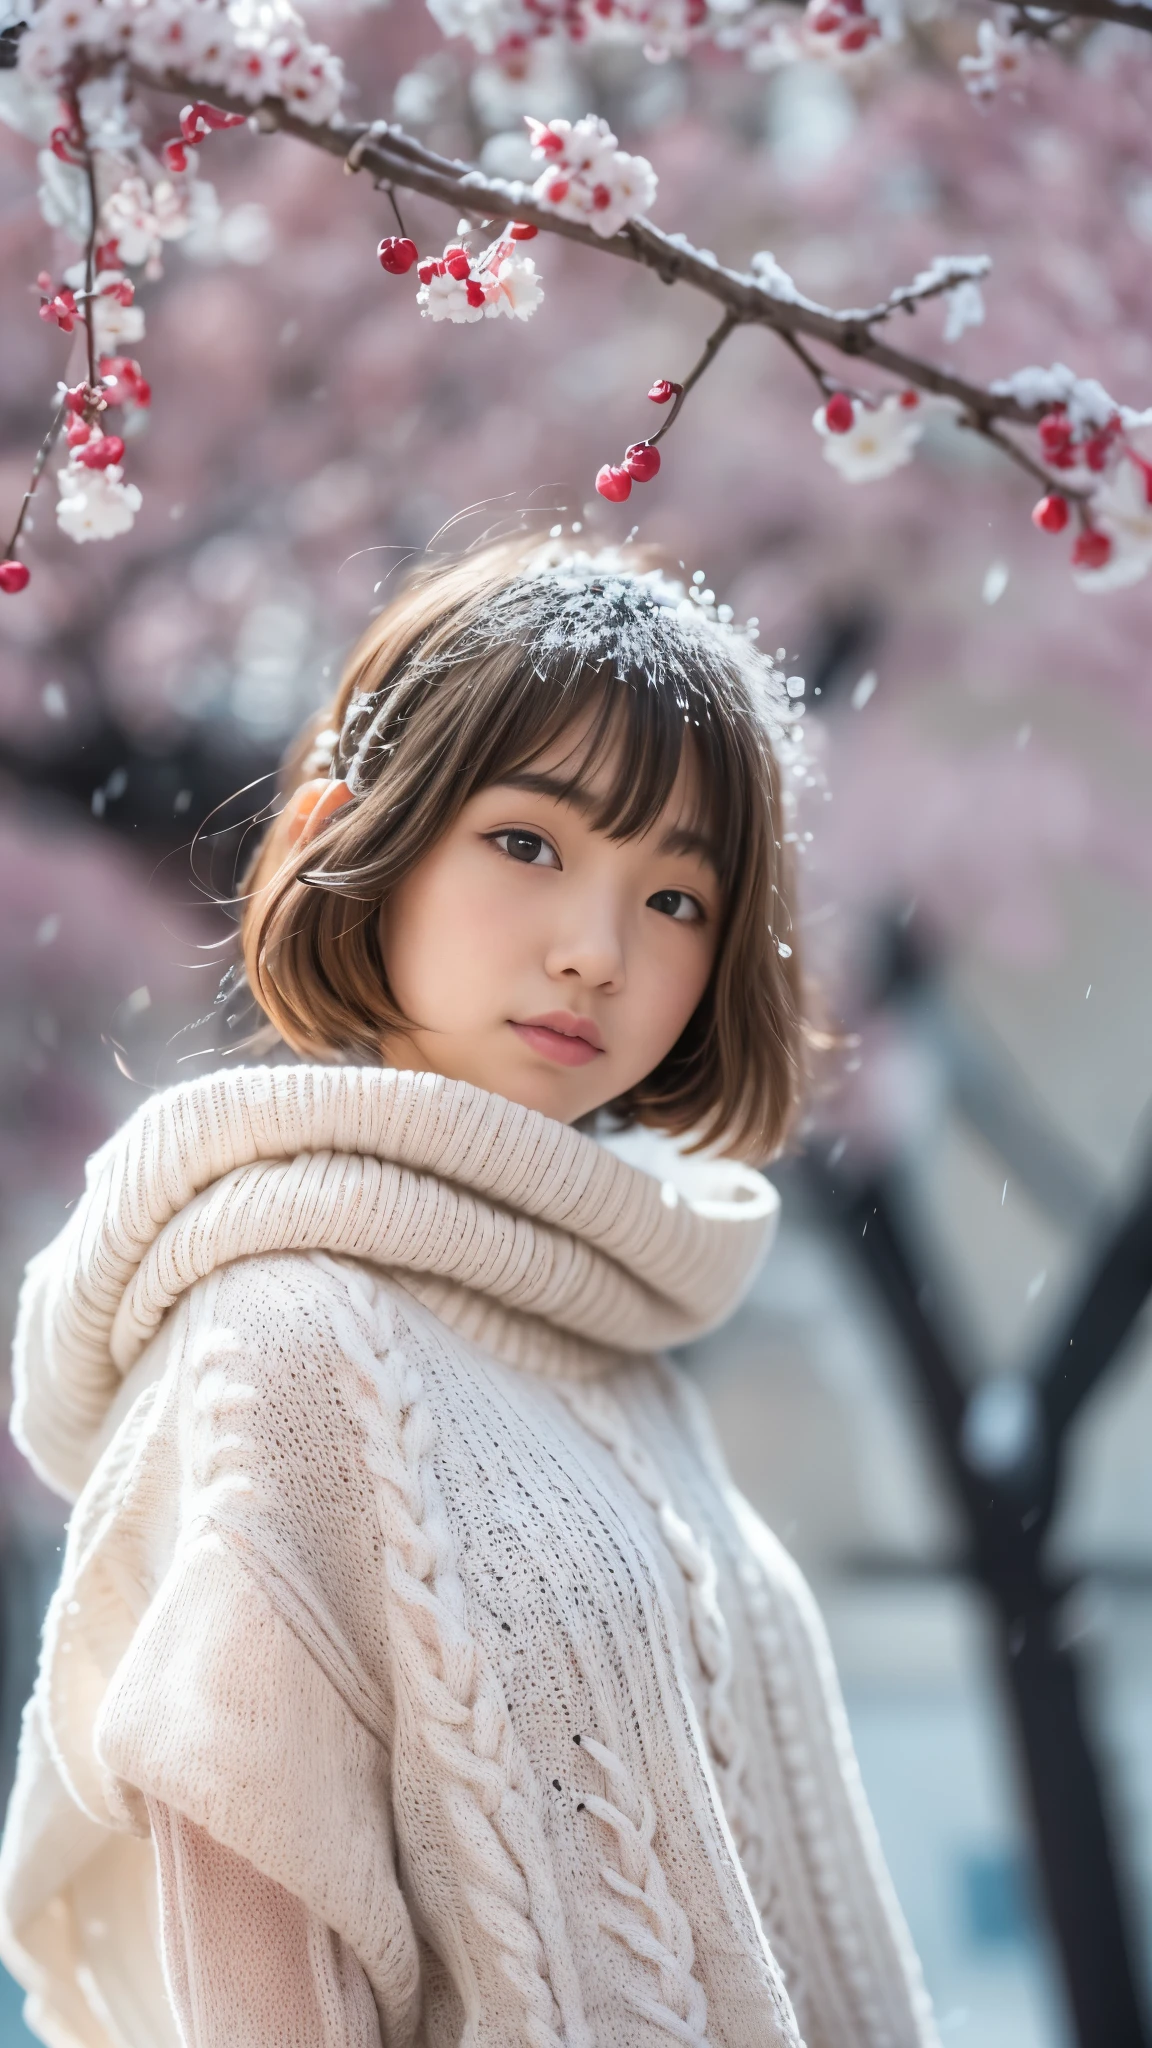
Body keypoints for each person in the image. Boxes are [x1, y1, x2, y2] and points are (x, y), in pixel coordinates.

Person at [0, 539, 938, 2048]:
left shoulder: (607, 1333)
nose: (595, 952)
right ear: (347, 836)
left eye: (679, 898)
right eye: (528, 844)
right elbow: (263, 1974)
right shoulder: (290, 1339)